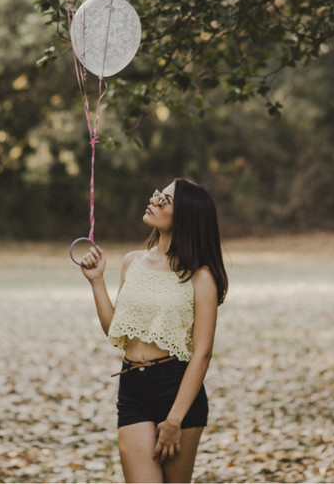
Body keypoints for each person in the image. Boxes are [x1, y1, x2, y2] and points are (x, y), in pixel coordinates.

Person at [77, 178, 228, 483]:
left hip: (177, 390)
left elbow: (203, 353)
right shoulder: (132, 262)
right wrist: (96, 281)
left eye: (166, 200)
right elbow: (116, 331)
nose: (154, 199)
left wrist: (175, 419)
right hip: (132, 387)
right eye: (159, 194)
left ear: (185, 217)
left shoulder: (200, 277)